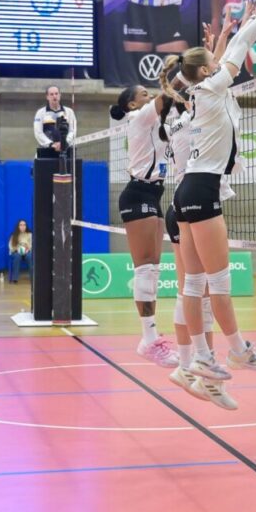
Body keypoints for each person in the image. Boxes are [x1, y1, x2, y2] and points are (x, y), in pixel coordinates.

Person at [165, 0, 256, 388]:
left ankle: (201, 356)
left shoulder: (201, 91)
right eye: (213, 63)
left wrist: (232, 28)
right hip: (201, 191)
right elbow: (237, 52)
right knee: (217, 283)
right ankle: (237, 348)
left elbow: (222, 56)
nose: (220, 64)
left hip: (185, 193)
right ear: (205, 72)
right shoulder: (213, 87)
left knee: (193, 284)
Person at [159, 20, 239, 411]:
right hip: (191, 204)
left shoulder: (182, 115)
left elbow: (208, 75)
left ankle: (192, 367)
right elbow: (213, 79)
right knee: (200, 291)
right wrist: (219, 50)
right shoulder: (192, 115)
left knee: (193, 290)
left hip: (180, 204)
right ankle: (197, 369)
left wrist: (218, 42)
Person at [109, 84, 186, 368]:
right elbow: (167, 95)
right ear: (132, 105)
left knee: (153, 270)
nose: (149, 95)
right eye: (143, 94)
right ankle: (148, 340)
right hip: (137, 194)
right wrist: (182, 72)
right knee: (144, 270)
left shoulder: (158, 121)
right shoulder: (139, 116)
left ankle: (152, 338)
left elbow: (174, 104)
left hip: (154, 194)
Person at [33, 86, 77, 159]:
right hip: (46, 151)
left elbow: (72, 131)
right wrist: (51, 144)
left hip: (65, 151)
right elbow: (38, 133)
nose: (54, 96)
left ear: (60, 95)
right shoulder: (40, 113)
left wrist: (64, 143)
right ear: (47, 97)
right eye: (51, 94)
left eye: (56, 94)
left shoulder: (69, 112)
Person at [7, 220, 32, 284]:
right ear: (18, 226)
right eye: (21, 225)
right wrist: (17, 249)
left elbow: (32, 245)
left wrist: (28, 248)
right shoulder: (14, 235)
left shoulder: (30, 235)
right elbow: (10, 246)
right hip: (16, 252)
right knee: (17, 256)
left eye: (24, 225)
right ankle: (15, 278)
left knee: (30, 256)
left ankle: (33, 277)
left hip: (27, 252)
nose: (23, 226)